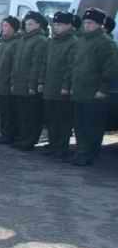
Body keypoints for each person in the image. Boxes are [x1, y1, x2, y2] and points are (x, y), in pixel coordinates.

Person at [70, 8, 118, 166]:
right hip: (80, 90)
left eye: (90, 23)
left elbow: (110, 69)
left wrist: (102, 89)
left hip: (95, 92)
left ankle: (89, 153)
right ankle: (81, 151)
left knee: (93, 126)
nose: (87, 25)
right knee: (79, 125)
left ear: (99, 25)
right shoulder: (82, 40)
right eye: (85, 23)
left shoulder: (106, 43)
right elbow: (75, 65)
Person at [41, 11, 78, 159]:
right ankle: (53, 144)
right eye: (55, 24)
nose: (56, 27)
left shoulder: (73, 42)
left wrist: (65, 85)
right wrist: (41, 81)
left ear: (69, 25)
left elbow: (71, 67)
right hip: (50, 85)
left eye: (60, 24)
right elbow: (45, 63)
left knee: (63, 120)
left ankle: (61, 147)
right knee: (51, 118)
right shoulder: (52, 41)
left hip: (62, 88)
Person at [11, 11, 49, 151]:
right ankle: (22, 138)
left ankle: (29, 140)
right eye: (26, 24)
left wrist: (33, 85)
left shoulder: (40, 40)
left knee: (32, 115)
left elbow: (37, 65)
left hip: (30, 84)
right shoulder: (23, 39)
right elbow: (17, 62)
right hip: (20, 83)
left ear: (38, 25)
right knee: (22, 114)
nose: (27, 26)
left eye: (31, 24)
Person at [0, 16, 22, 144]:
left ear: (13, 28)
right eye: (2, 25)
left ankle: (9, 135)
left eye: (6, 26)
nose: (3, 28)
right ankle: (4, 133)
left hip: (8, 83)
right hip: (0, 82)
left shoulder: (16, 43)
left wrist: (11, 81)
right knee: (3, 110)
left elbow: (15, 65)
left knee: (9, 111)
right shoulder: (4, 42)